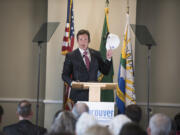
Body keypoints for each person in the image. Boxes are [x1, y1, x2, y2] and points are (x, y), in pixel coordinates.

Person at [62, 29, 113, 102]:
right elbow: (64, 75)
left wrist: (108, 59)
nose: (83, 42)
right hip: (78, 94)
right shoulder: (71, 56)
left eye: (85, 39)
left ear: (89, 40)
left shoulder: (96, 54)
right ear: (77, 41)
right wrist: (72, 83)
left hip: (94, 94)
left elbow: (105, 71)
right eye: (81, 39)